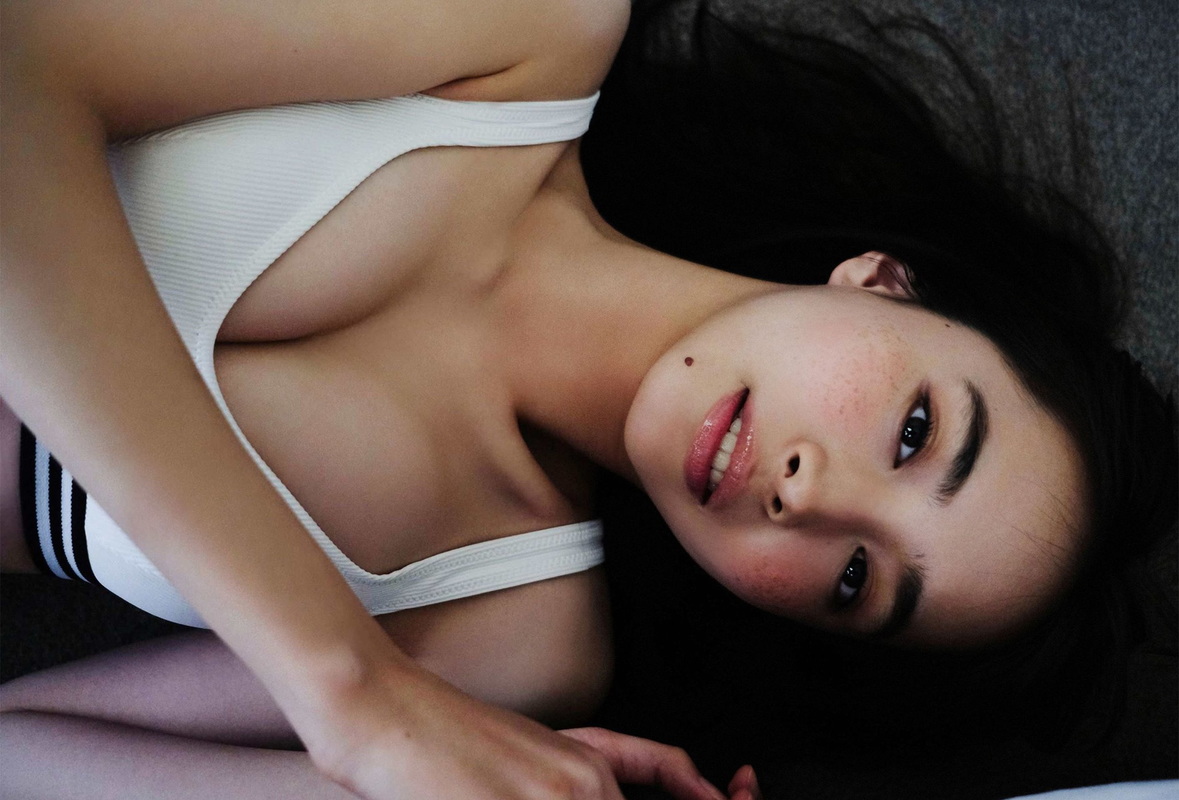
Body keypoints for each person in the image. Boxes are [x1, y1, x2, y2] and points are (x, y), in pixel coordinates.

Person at [0, 2, 1173, 799]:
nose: (808, 496)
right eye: (915, 431)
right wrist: (348, 689)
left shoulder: (519, 630)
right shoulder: (539, 33)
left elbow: (18, 753)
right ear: (884, 279)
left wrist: (386, 774)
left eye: (858, 578)